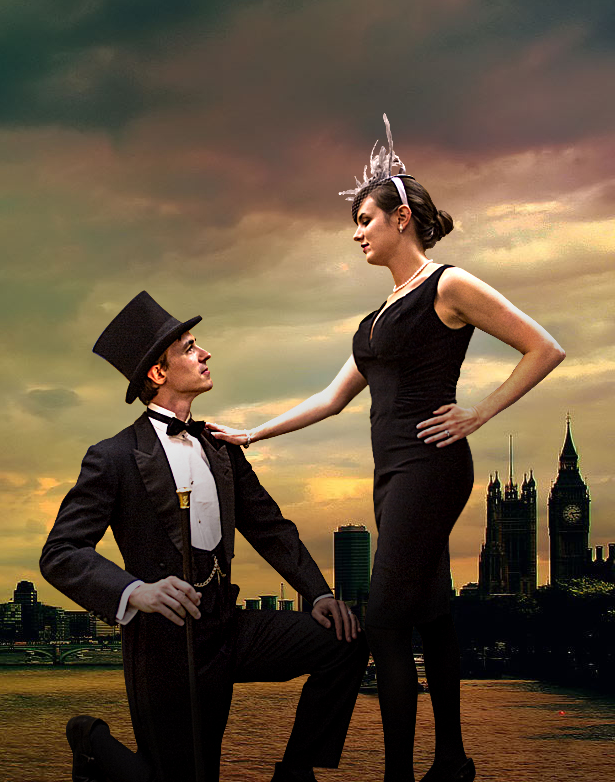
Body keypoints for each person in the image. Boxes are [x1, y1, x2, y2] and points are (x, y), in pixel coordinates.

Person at [207, 116, 565, 782]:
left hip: (432, 467)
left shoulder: (449, 286)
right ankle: (453, 759)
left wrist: (477, 415)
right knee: (429, 610)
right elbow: (330, 398)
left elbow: (545, 347)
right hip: (392, 474)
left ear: (402, 218)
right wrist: (252, 433)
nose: (356, 232)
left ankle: (400, 776)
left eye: (365, 219)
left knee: (386, 623)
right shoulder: (373, 321)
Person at [40, 291, 368, 782]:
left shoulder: (221, 447)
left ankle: (295, 772)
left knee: (343, 641)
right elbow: (60, 553)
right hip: (164, 647)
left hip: (229, 629)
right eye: (190, 347)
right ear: (158, 372)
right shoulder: (113, 457)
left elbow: (269, 526)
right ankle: (90, 740)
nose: (205, 353)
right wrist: (136, 592)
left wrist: (316, 592)